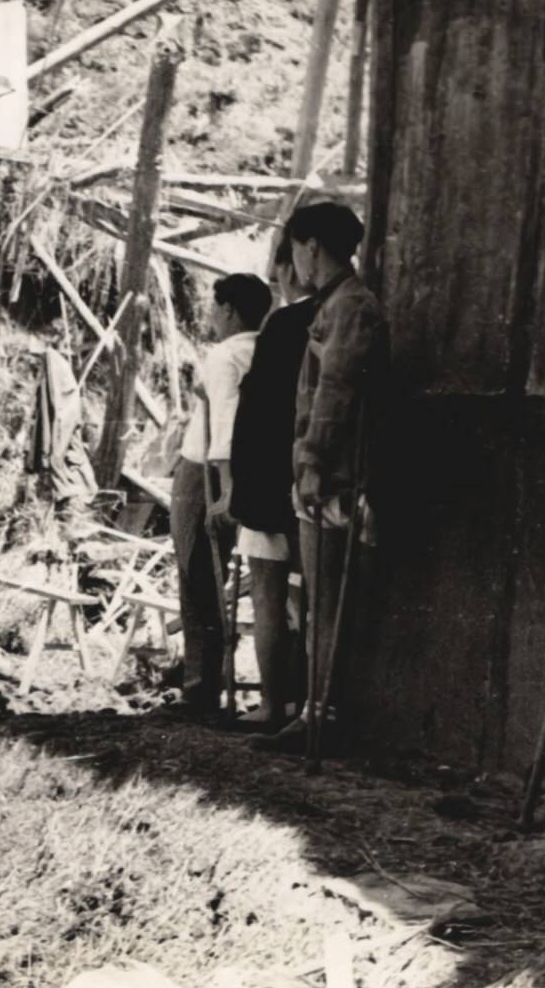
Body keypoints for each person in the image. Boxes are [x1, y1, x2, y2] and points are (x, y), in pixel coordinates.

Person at [253, 201, 389, 754]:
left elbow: (335, 392)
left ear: (311, 247)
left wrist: (311, 465)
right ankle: (315, 711)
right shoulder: (335, 304)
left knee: (329, 600)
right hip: (323, 475)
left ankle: (324, 718)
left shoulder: (351, 307)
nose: (296, 265)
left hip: (336, 478)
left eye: (297, 252)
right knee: (318, 599)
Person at [171, 273, 271, 711]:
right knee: (216, 578)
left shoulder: (227, 354)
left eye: (214, 307)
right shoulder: (265, 351)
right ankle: (207, 678)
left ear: (229, 310)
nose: (211, 316)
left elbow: (226, 422)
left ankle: (201, 687)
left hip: (206, 470)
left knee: (197, 575)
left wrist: (224, 489)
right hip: (246, 470)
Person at [229, 239, 318, 729]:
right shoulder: (335, 315)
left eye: (275, 272)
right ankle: (303, 702)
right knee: (307, 600)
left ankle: (273, 702)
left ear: (293, 265)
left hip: (272, 482)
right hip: (309, 479)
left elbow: (256, 417)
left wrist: (244, 491)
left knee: (268, 595)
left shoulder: (286, 324)